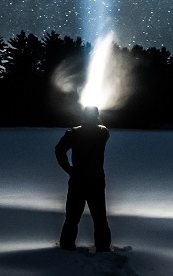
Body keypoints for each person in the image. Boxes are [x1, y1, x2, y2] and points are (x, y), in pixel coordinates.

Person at [55, 105, 112, 252]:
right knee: (100, 218)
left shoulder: (74, 133)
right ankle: (103, 248)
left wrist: (69, 169)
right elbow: (103, 128)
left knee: (72, 218)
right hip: (96, 181)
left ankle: (67, 247)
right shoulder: (103, 133)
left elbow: (59, 150)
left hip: (78, 180)